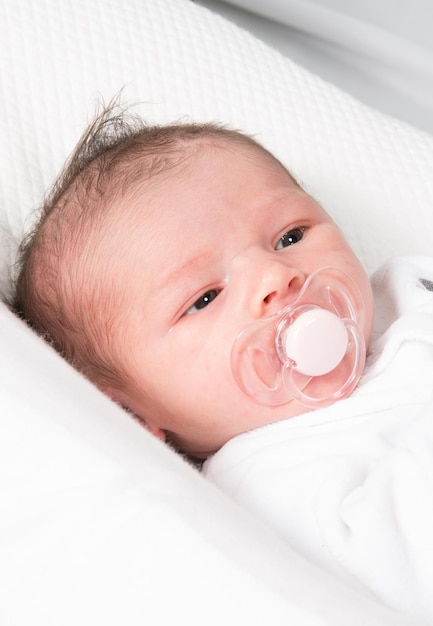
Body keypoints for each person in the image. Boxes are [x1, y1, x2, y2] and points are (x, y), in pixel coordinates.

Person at [12, 103, 433, 622]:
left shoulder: (403, 295)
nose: (274, 276)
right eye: (205, 298)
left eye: (291, 236)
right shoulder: (266, 482)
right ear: (132, 416)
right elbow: (398, 570)